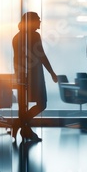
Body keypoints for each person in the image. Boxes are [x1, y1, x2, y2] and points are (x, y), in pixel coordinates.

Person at [12, 12, 58, 142]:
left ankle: (22, 127)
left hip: (23, 75)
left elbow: (16, 59)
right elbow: (42, 56)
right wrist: (52, 73)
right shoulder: (34, 36)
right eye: (38, 19)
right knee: (41, 103)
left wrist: (18, 75)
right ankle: (20, 126)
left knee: (23, 106)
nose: (40, 22)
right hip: (35, 74)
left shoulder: (17, 37)